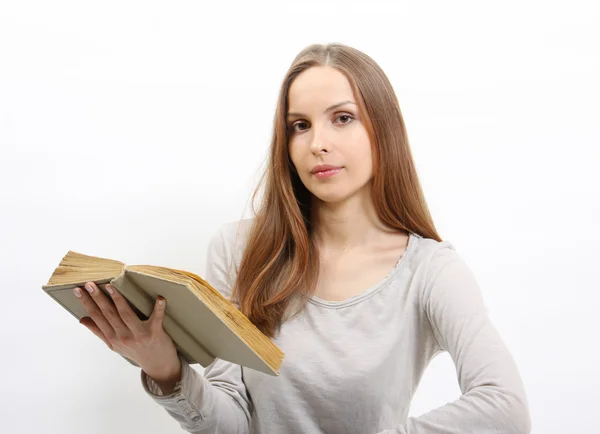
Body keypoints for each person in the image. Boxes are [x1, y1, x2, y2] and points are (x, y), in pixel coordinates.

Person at [74, 43, 531, 433]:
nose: (318, 143)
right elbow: (233, 421)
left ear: (383, 128)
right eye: (300, 125)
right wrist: (166, 370)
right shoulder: (239, 251)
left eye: (343, 118)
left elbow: (505, 407)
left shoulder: (429, 270)